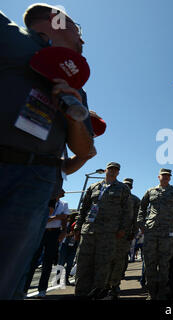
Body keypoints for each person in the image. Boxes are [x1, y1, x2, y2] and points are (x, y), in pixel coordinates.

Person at [0, 4, 95, 299]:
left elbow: (84, 149)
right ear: (55, 22)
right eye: (76, 29)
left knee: (8, 277)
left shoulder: (77, 86)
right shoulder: (13, 40)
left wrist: (74, 114)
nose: (82, 40)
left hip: (36, 182)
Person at [73, 162, 132, 299]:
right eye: (110, 169)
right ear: (106, 170)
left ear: (118, 173)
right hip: (88, 230)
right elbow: (84, 208)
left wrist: (123, 229)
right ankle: (81, 294)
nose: (112, 171)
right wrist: (78, 227)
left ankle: (97, 294)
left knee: (103, 264)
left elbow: (127, 211)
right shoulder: (93, 187)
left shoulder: (122, 188)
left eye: (115, 170)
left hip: (109, 232)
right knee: (83, 263)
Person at [138, 169, 173, 300]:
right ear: (158, 177)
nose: (165, 177)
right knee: (150, 262)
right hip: (151, 230)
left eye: (168, 176)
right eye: (163, 175)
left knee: (164, 263)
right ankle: (152, 292)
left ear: (170, 178)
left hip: (168, 231)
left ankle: (163, 292)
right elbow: (141, 208)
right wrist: (141, 224)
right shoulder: (150, 191)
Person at [24, 189, 70, 298]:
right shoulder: (45, 202)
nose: (63, 192)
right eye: (60, 190)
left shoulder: (64, 204)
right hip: (41, 232)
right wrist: (57, 217)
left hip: (54, 234)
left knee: (48, 262)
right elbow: (43, 219)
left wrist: (64, 231)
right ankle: (24, 289)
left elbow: (65, 219)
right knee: (32, 261)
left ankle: (42, 290)